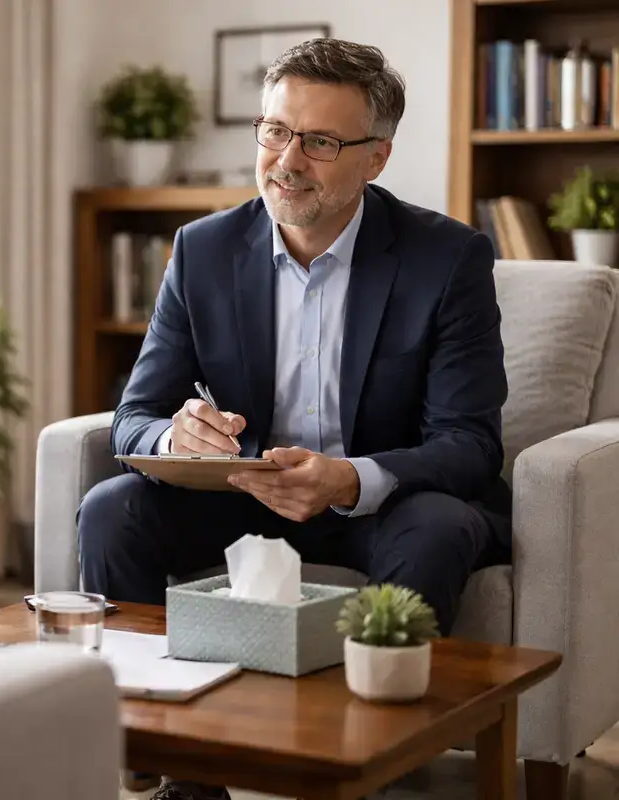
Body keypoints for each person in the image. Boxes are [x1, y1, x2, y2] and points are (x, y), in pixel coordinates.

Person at [77, 38, 511, 800]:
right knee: (112, 510)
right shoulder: (203, 249)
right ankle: (175, 767)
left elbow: (469, 444)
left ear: (376, 157)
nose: (287, 160)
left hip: (382, 504)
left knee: (443, 526)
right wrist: (176, 437)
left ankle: (356, 766)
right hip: (241, 498)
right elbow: (133, 418)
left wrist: (348, 479)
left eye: (319, 141)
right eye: (275, 131)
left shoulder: (448, 258)